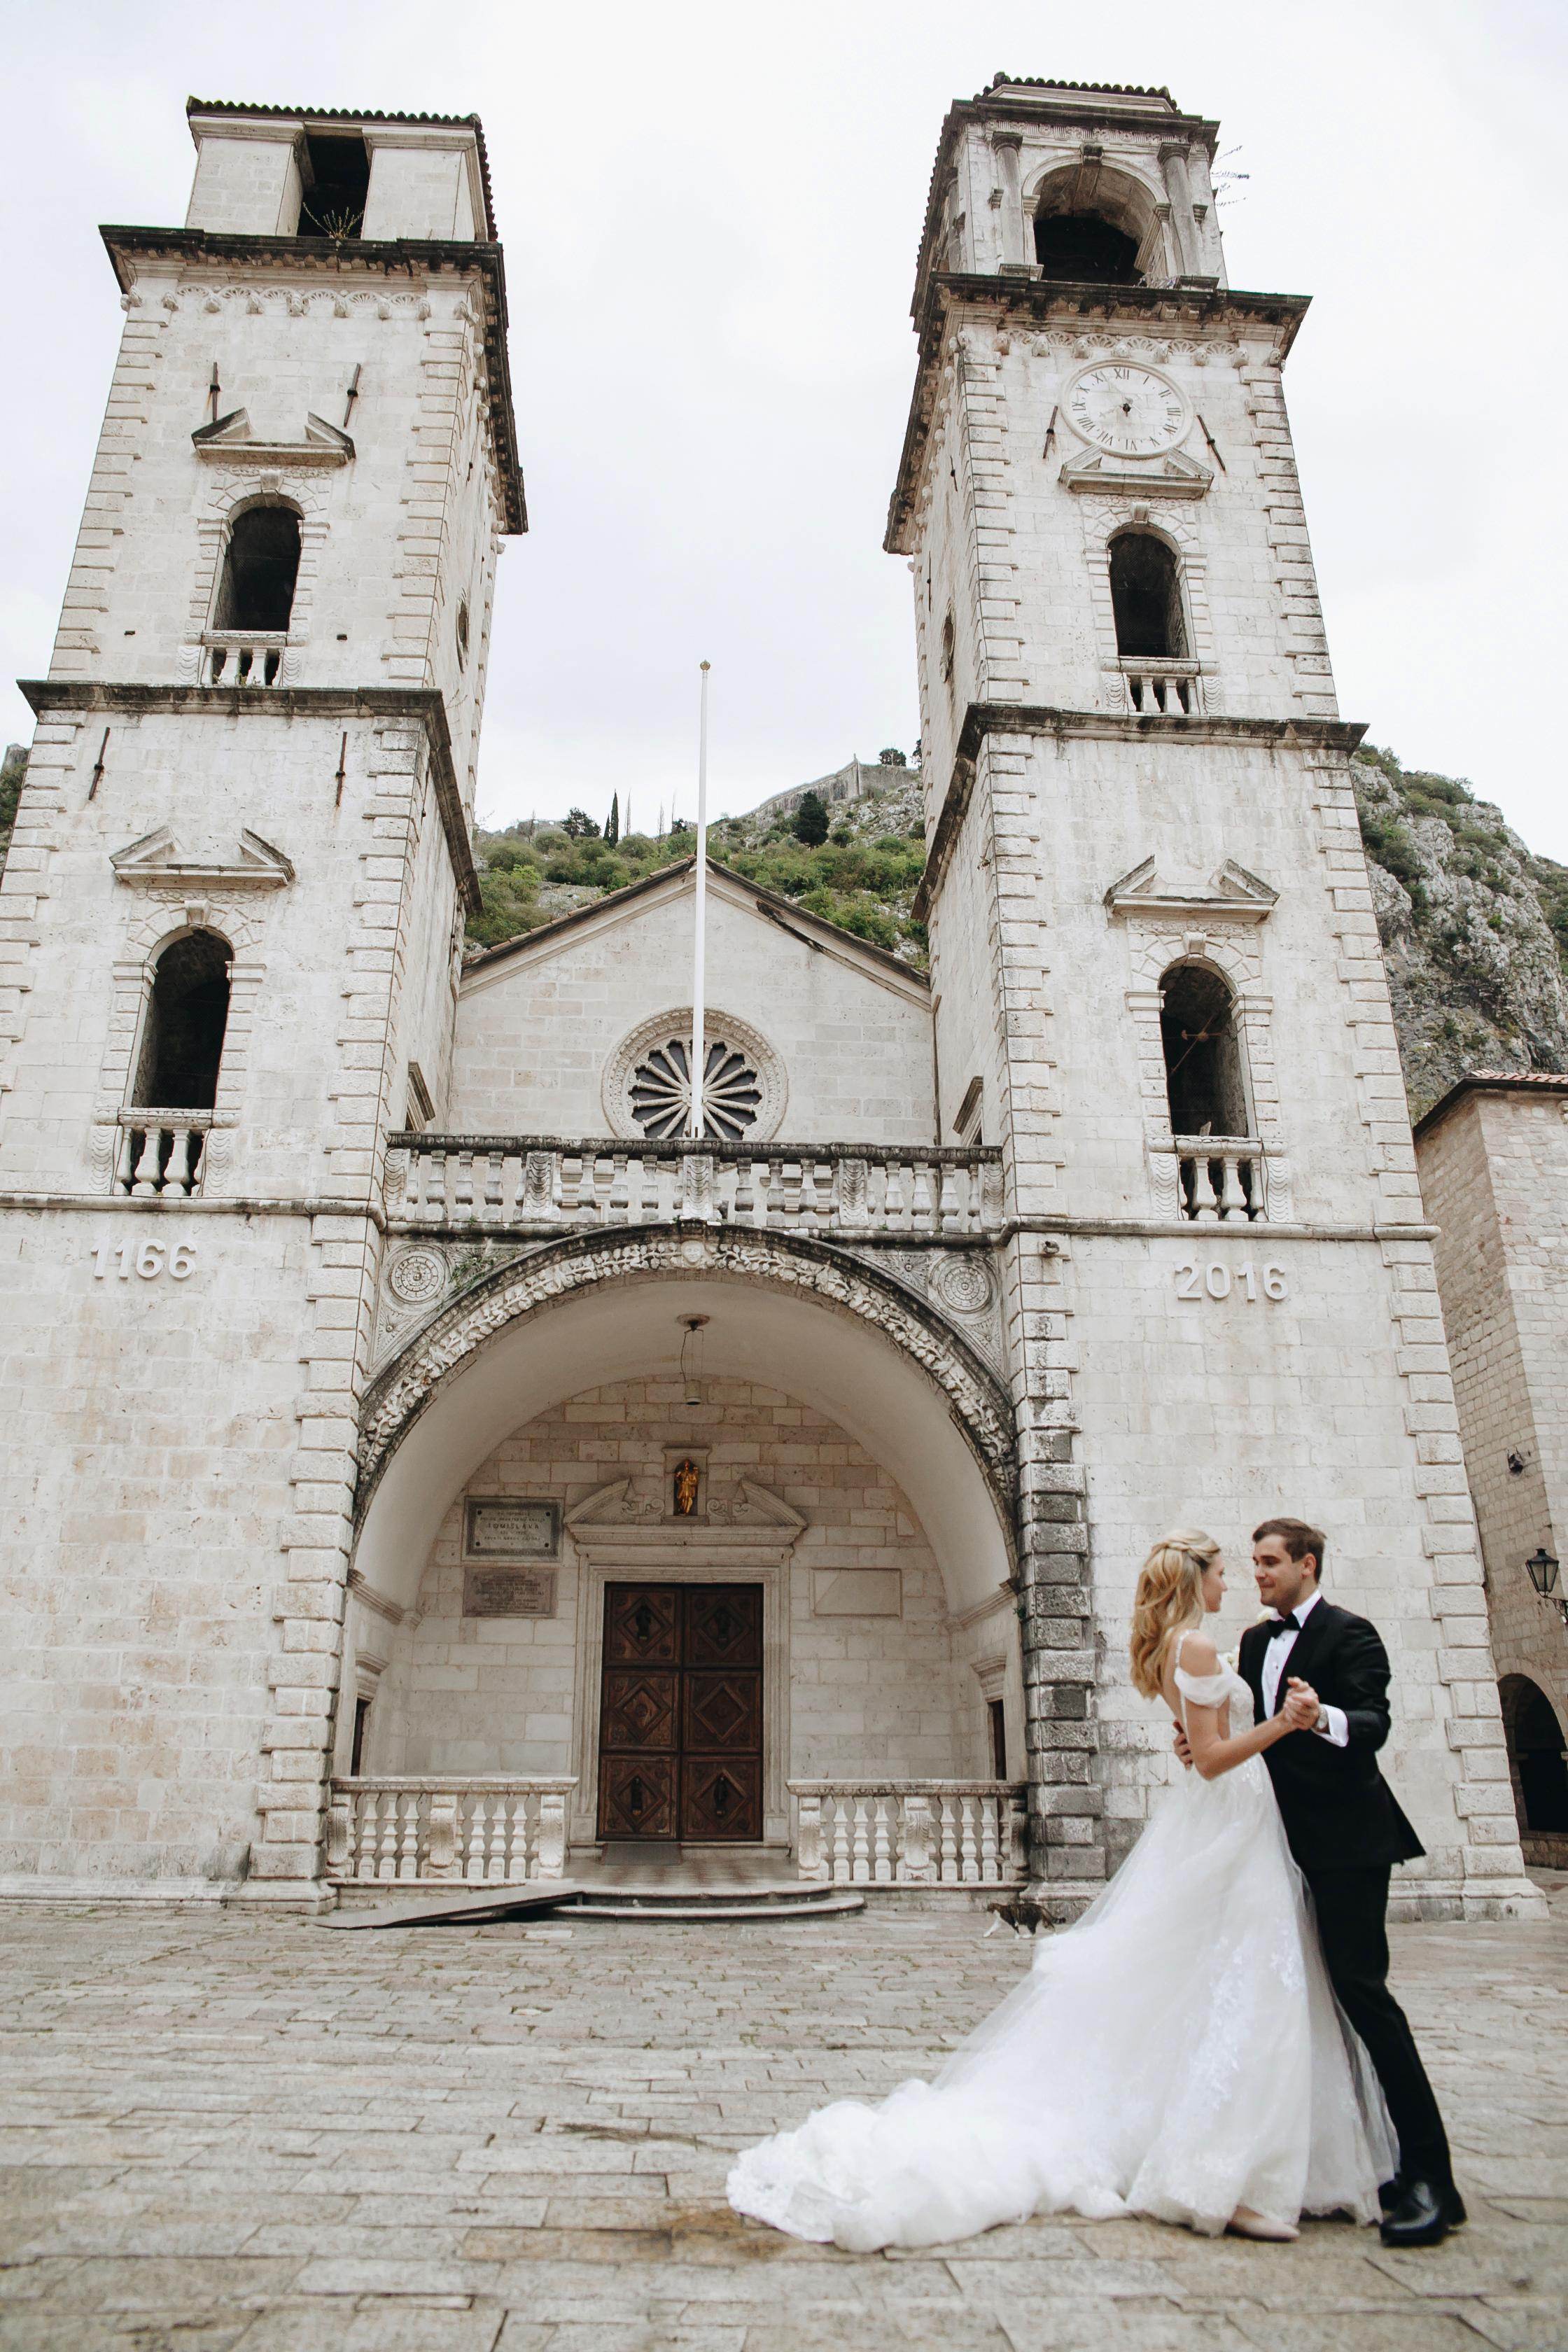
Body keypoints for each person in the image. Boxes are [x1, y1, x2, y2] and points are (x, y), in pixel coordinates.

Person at [727, 1531, 1394, 2252]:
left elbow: (1201, 1738)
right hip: (1230, 1813)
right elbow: (1208, 1758)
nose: (1233, 1582)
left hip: (1239, 1817)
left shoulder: (1184, 1646)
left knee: (1226, 1979)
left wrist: (1238, 1730)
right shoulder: (1195, 1648)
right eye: (1225, 1572)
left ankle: (1246, 2156)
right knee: (1239, 1976)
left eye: (1254, 1567)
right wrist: (1278, 1724)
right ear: (1193, 1578)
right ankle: (1212, 2168)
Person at [1196, 1518, 1463, 2250]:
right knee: (1303, 1999)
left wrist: (1323, 1718)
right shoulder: (1253, 1642)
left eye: (1270, 1563)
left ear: (1306, 1564)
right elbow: (1249, 1727)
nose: (1258, 1575)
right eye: (1251, 1563)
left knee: (1362, 1995)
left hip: (1346, 1844)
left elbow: (1373, 1723)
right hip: (1275, 1841)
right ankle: (1349, 2159)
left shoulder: (1351, 1634)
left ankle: (1430, 2179)